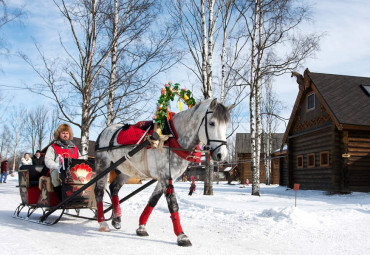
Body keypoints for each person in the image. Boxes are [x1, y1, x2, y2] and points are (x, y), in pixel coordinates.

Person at [45, 123, 80, 199]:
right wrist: (57, 167)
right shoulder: (53, 147)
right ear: (59, 134)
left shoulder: (74, 147)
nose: (65, 135)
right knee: (55, 174)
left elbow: (79, 159)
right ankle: (60, 196)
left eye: (67, 133)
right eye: (63, 133)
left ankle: (79, 196)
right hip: (58, 169)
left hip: (72, 170)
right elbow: (48, 160)